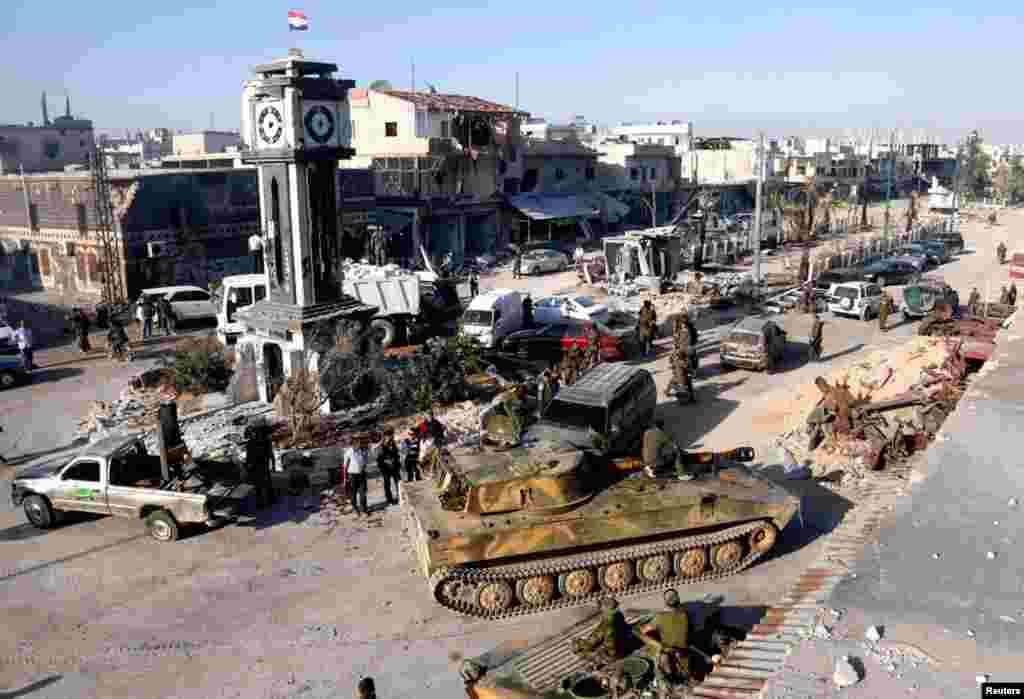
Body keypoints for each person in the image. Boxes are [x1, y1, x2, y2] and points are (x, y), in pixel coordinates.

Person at [634, 589, 692, 688]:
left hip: (671, 662)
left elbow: (640, 631)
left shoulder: (660, 618)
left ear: (665, 603)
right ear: (678, 600)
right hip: (685, 661)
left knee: (654, 650)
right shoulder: (685, 615)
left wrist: (656, 644)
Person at [571, 596, 631, 666]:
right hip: (622, 641)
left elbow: (611, 645)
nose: (600, 610)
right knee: (586, 645)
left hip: (614, 654)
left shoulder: (609, 625)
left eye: (602, 608)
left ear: (606, 609)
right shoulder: (617, 615)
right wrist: (589, 641)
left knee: (582, 654)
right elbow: (600, 631)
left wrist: (596, 650)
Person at [244, 420, 275, 508]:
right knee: (266, 482)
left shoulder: (250, 444)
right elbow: (270, 454)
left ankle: (262, 502)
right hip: (262, 464)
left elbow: (249, 457)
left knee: (259, 484)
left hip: (258, 465)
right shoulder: (265, 441)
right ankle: (269, 500)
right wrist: (273, 465)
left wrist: (247, 466)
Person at [345, 436, 370, 515]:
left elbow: (365, 462)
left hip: (361, 474)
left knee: (363, 492)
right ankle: (355, 507)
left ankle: (364, 509)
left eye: (360, 442)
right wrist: (345, 478)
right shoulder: (348, 452)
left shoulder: (362, 451)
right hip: (352, 475)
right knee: (353, 492)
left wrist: (364, 468)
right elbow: (345, 466)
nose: (359, 444)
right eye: (357, 442)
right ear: (353, 443)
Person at [377, 428, 401, 506]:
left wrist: (396, 461)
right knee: (387, 484)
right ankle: (389, 499)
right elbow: (380, 458)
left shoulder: (393, 443)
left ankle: (400, 497)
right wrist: (386, 461)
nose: (390, 437)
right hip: (386, 468)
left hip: (395, 467)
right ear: (385, 436)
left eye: (391, 435)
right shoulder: (381, 445)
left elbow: (397, 454)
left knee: (398, 483)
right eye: (389, 435)